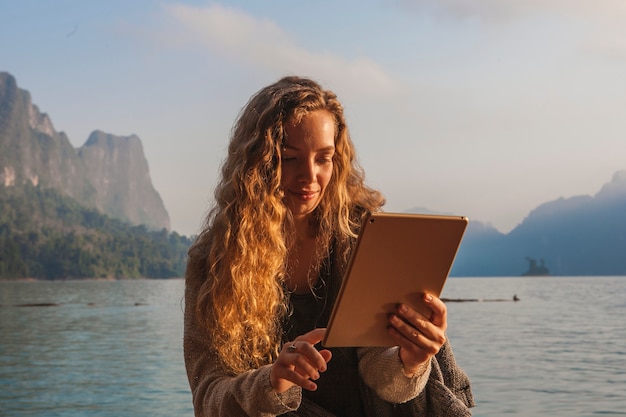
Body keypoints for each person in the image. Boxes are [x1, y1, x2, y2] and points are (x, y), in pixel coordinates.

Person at [184, 76, 474, 417]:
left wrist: (409, 361)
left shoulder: (363, 235)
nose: (310, 176)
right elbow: (208, 397)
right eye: (289, 158)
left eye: (324, 158)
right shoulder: (214, 261)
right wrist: (271, 382)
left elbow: (381, 373)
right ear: (256, 162)